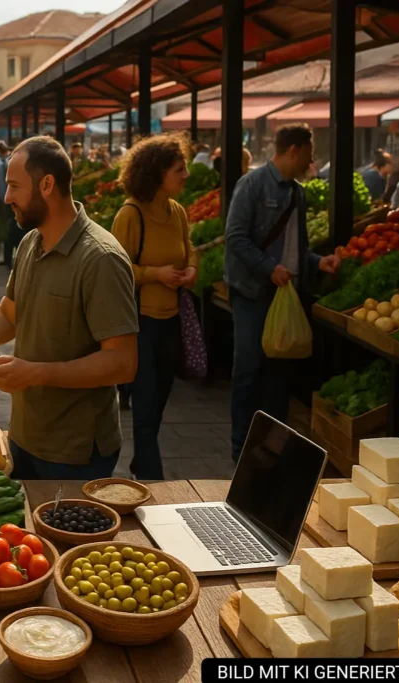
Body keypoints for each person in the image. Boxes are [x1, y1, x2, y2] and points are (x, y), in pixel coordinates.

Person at [0, 136, 138, 479]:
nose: (6, 198)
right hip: (25, 436)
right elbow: (7, 317)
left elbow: (122, 363)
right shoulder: (32, 242)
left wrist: (36, 373)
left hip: (74, 450)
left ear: (46, 184)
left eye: (14, 186)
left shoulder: (100, 258)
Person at [224, 123, 339, 461]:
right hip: (252, 292)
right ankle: (240, 449)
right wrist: (268, 268)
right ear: (294, 150)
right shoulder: (252, 184)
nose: (311, 161)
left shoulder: (298, 193)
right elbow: (235, 237)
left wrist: (318, 262)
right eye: (309, 153)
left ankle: (271, 451)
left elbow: (296, 249)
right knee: (248, 370)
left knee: (279, 376)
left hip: (286, 295)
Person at [111, 134, 197, 481]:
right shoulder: (130, 214)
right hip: (140, 324)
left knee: (159, 403)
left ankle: (142, 464)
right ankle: (151, 477)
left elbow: (189, 249)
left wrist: (191, 270)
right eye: (179, 169)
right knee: (145, 408)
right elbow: (116, 270)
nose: (186, 175)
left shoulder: (177, 212)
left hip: (171, 322)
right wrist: (154, 274)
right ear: (158, 173)